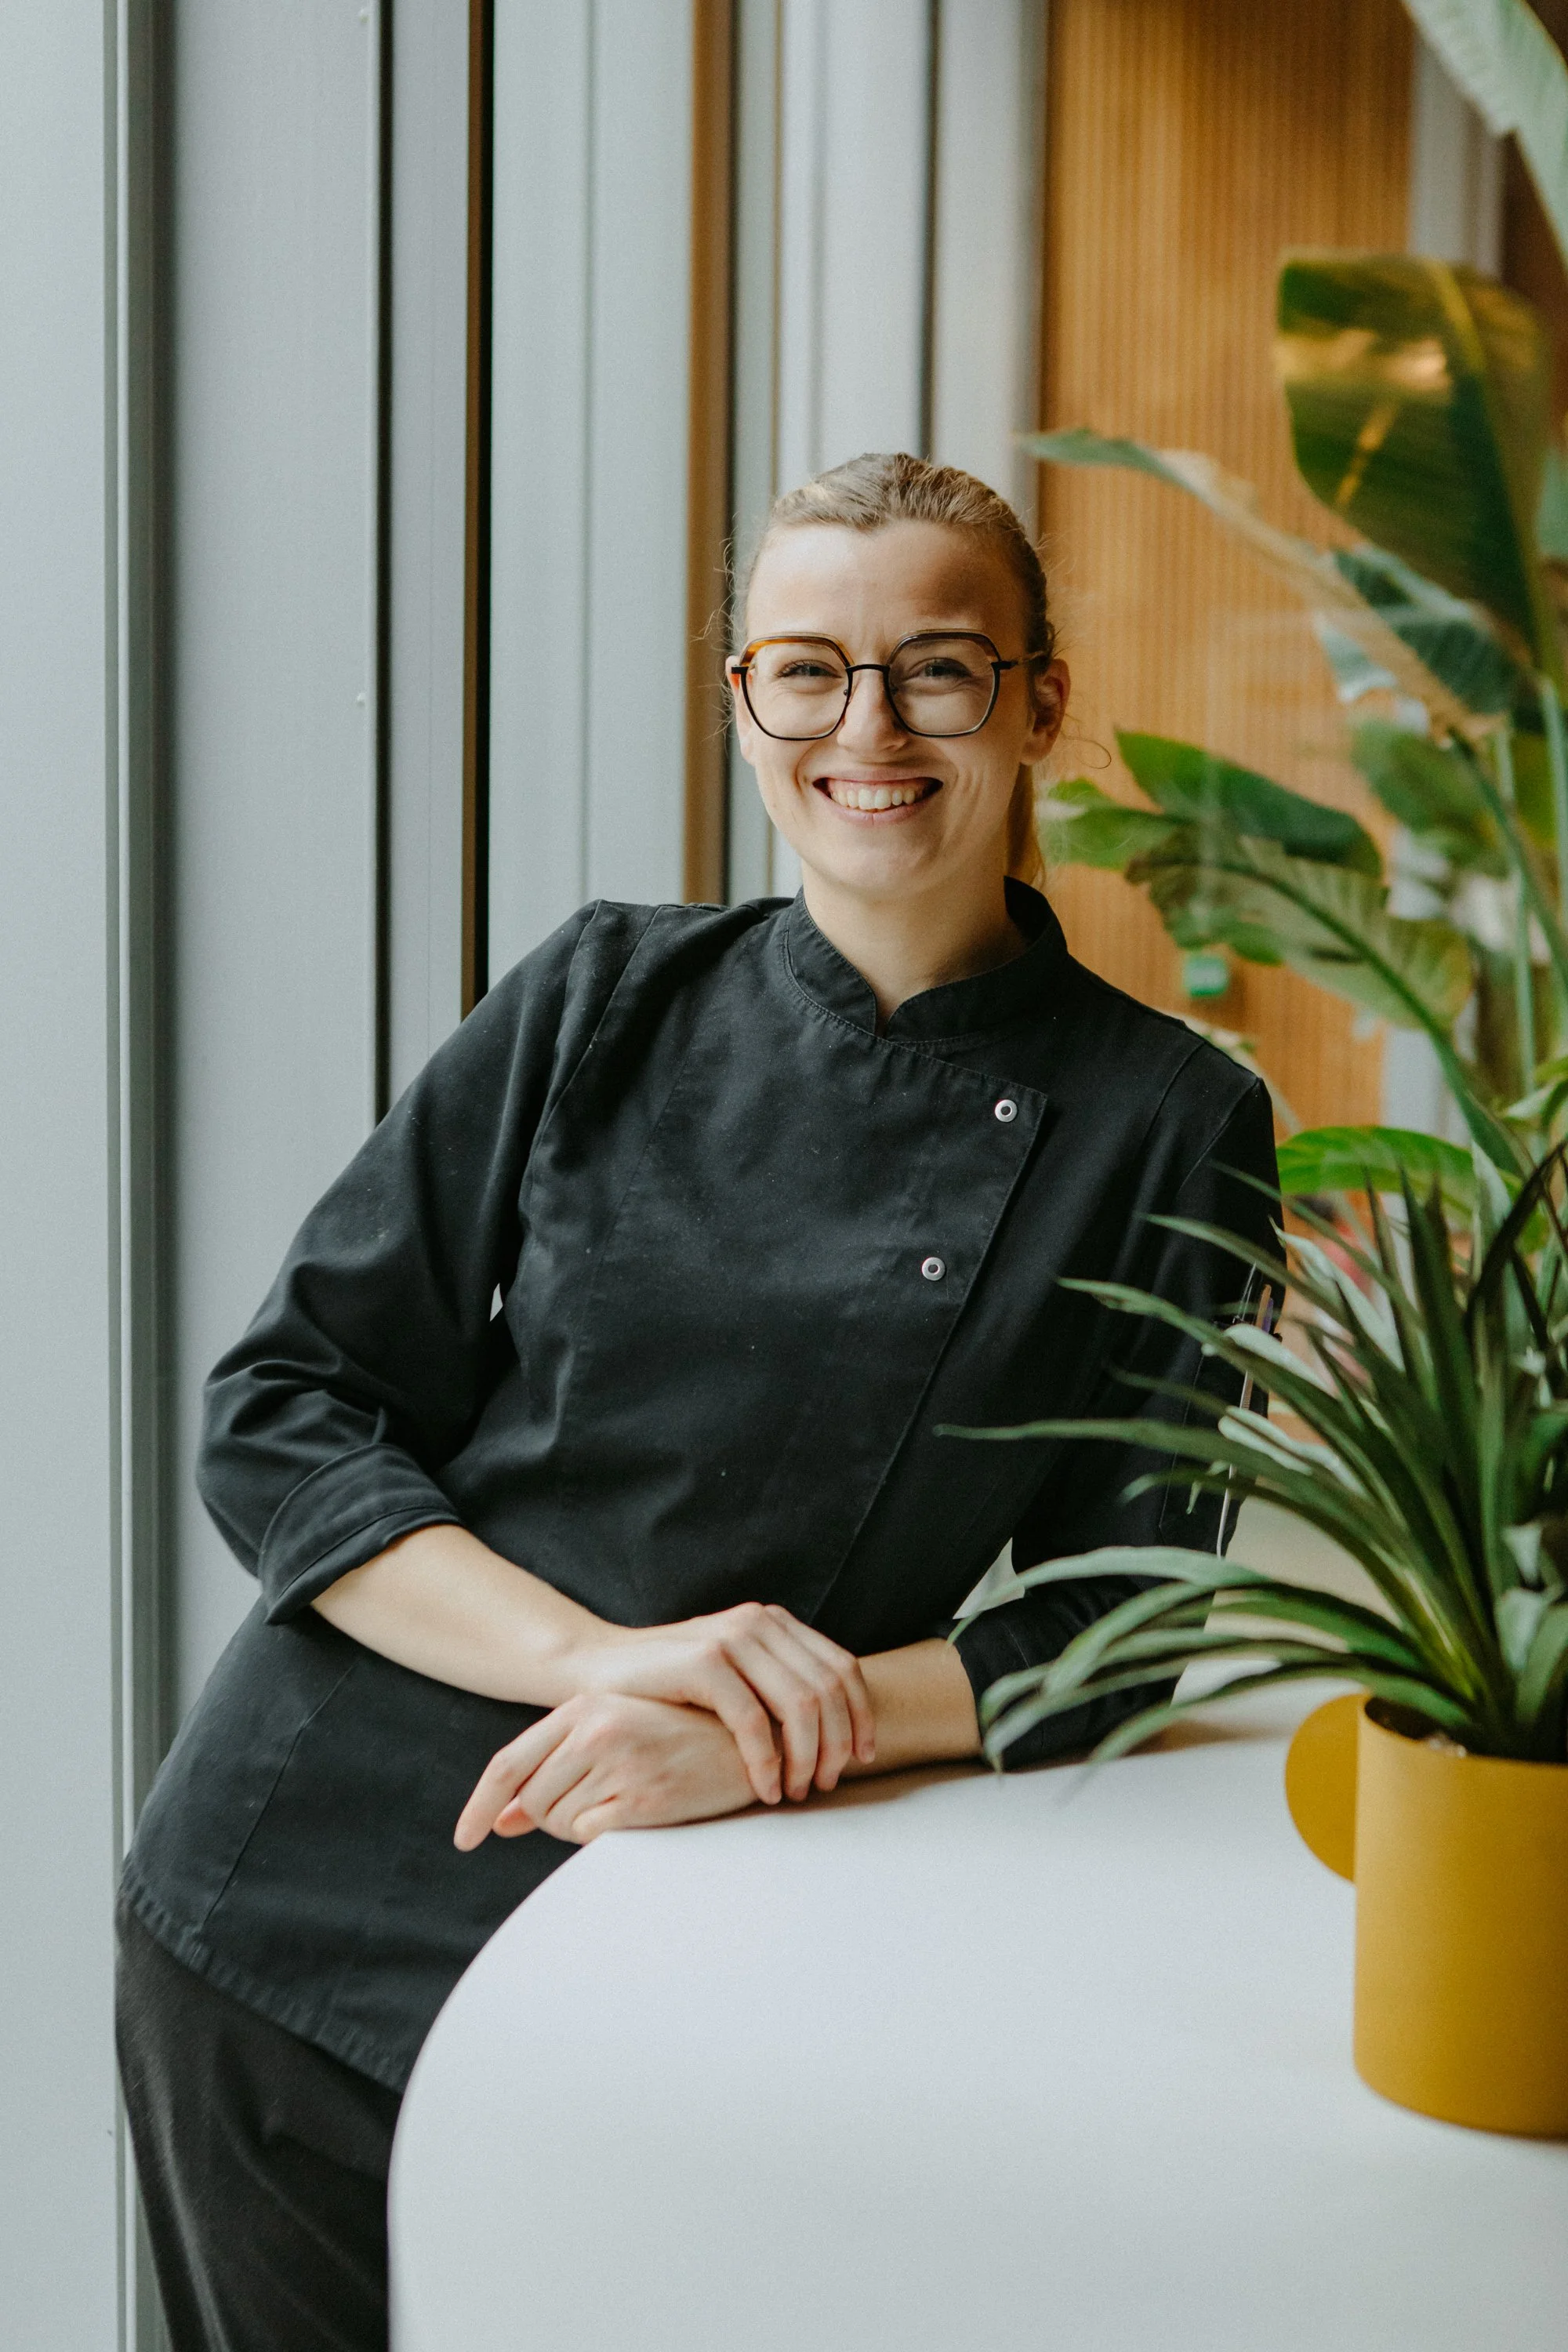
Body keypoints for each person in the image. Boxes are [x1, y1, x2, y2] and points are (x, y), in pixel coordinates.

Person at [117, 452, 1276, 2352]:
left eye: (937, 668)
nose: (867, 728)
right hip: (291, 1880)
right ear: (744, 702)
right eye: (805, 670)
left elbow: (1125, 1619)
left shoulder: (1169, 1125)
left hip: (712, 1942)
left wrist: (762, 1737)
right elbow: (285, 1405)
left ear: (1039, 702)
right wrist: (604, 1662)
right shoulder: (598, 993)